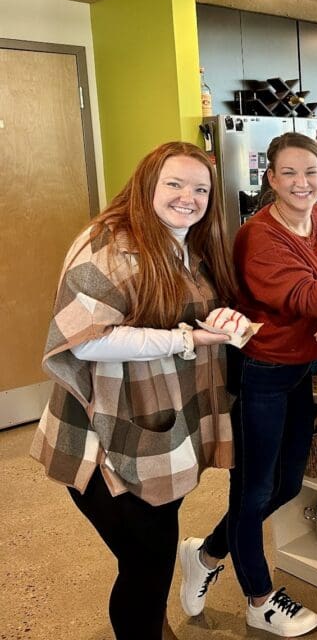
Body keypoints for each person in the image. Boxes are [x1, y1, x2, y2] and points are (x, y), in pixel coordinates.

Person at [178, 133, 317, 637]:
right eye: (290, 174)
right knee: (253, 490)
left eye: (311, 173)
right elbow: (305, 299)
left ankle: (207, 552)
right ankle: (259, 600)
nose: (302, 183)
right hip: (262, 371)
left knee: (287, 483)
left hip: (304, 367)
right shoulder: (256, 237)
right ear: (271, 180)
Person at [30, 142, 238, 640]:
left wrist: (214, 319)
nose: (188, 197)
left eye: (200, 189)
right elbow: (84, 341)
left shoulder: (186, 241)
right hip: (104, 436)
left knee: (151, 554)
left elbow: (172, 307)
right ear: (147, 184)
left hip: (156, 428)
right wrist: (187, 337)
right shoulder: (108, 243)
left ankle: (154, 624)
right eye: (175, 184)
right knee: (146, 563)